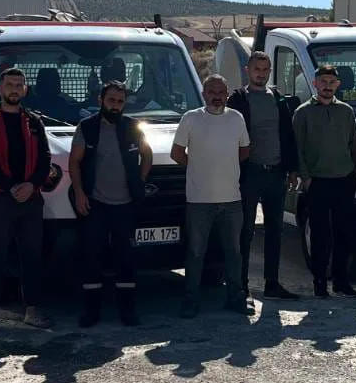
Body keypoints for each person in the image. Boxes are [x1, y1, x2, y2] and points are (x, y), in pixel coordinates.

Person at [0, 67, 54, 333]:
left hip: (31, 199)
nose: (15, 89)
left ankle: (32, 311)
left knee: (31, 257)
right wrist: (11, 188)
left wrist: (32, 185)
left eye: (19, 85)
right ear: (0, 88)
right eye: (10, 84)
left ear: (25, 90)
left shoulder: (33, 122)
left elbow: (45, 159)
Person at [69, 81, 152, 328]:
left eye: (120, 102)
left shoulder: (132, 127)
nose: (115, 106)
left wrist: (140, 180)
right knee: (91, 257)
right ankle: (91, 311)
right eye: (111, 100)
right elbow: (74, 162)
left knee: (125, 258)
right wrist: (80, 193)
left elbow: (146, 155)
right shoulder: (87, 128)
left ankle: (128, 310)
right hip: (95, 205)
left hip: (125, 205)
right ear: (101, 101)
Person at [171, 75, 252, 317]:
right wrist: (198, 166)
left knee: (234, 252)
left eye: (221, 92)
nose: (217, 96)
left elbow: (245, 149)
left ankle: (235, 298)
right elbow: (177, 153)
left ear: (227, 94)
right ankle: (190, 300)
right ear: (204, 94)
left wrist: (224, 166)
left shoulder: (236, 118)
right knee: (196, 253)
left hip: (231, 199)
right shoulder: (191, 118)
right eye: (212, 92)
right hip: (198, 200)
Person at [227, 51, 301, 300]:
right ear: (248, 70)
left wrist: (292, 169)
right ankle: (242, 285)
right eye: (257, 69)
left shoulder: (279, 99)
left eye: (265, 69)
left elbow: (288, 136)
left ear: (270, 72)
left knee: (274, 230)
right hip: (250, 173)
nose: (261, 73)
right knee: (245, 231)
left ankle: (272, 283)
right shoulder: (237, 99)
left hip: (276, 173)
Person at [293, 64, 356, 298]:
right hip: (317, 182)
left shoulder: (346, 111)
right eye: (323, 81)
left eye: (332, 82)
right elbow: (297, 149)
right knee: (321, 235)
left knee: (344, 233)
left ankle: (341, 281)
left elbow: (354, 143)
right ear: (315, 83)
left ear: (338, 85)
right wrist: (306, 177)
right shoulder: (302, 113)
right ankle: (320, 281)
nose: (327, 86)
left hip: (344, 179)